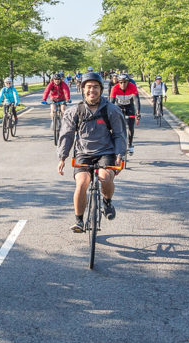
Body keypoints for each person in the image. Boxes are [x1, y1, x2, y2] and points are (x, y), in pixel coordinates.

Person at [56, 72, 128, 232]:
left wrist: (119, 155)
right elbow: (67, 135)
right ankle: (79, 221)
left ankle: (107, 201)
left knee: (104, 177)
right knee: (82, 183)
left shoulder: (112, 110)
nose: (92, 90)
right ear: (83, 89)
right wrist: (62, 157)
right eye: (88, 87)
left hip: (106, 152)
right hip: (83, 153)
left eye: (95, 87)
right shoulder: (75, 111)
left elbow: (119, 134)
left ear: (101, 89)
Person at [109, 73, 141, 155]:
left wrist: (138, 112)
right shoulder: (115, 88)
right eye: (121, 82)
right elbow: (111, 103)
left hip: (129, 107)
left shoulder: (132, 86)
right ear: (118, 82)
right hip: (119, 107)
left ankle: (130, 144)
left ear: (128, 82)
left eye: (125, 82)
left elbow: (136, 100)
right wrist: (109, 114)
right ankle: (114, 143)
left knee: (131, 127)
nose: (123, 84)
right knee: (115, 126)